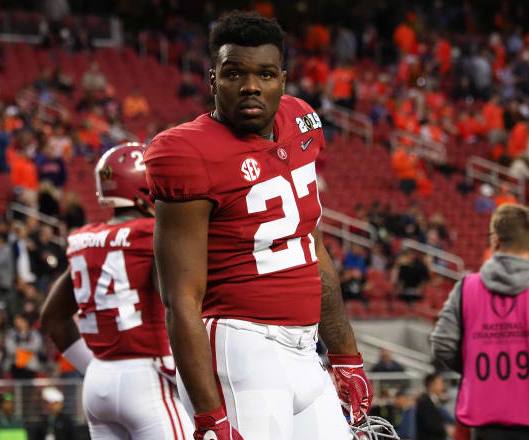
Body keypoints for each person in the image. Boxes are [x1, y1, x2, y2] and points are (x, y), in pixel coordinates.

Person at [144, 11, 371, 440]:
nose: (251, 86)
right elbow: (180, 299)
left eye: (265, 74)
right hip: (242, 349)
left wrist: (345, 354)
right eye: (234, 74)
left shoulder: (300, 121)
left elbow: (312, 245)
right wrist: (209, 414)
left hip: (306, 351)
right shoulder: (186, 152)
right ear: (213, 79)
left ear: (283, 81)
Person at [40, 143, 193, 440]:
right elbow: (177, 304)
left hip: (98, 382)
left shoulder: (86, 240)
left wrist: (98, 367)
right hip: (148, 378)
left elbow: (52, 318)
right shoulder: (151, 234)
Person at [430, 204, 529, 439]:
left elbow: (441, 345)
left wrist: (473, 369)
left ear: (495, 241)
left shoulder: (466, 288)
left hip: (488, 420)